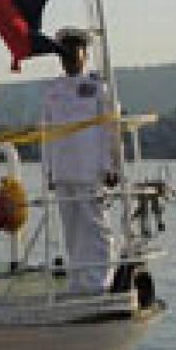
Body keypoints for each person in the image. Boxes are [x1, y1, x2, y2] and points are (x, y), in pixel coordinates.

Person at [42, 28, 118, 294]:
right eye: (65, 54)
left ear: (85, 55)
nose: (70, 58)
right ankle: (78, 281)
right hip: (63, 171)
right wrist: (49, 172)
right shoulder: (54, 90)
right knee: (72, 230)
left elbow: (110, 130)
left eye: (75, 53)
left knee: (96, 228)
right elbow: (47, 133)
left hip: (90, 170)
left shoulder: (98, 88)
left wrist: (111, 166)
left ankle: (100, 282)